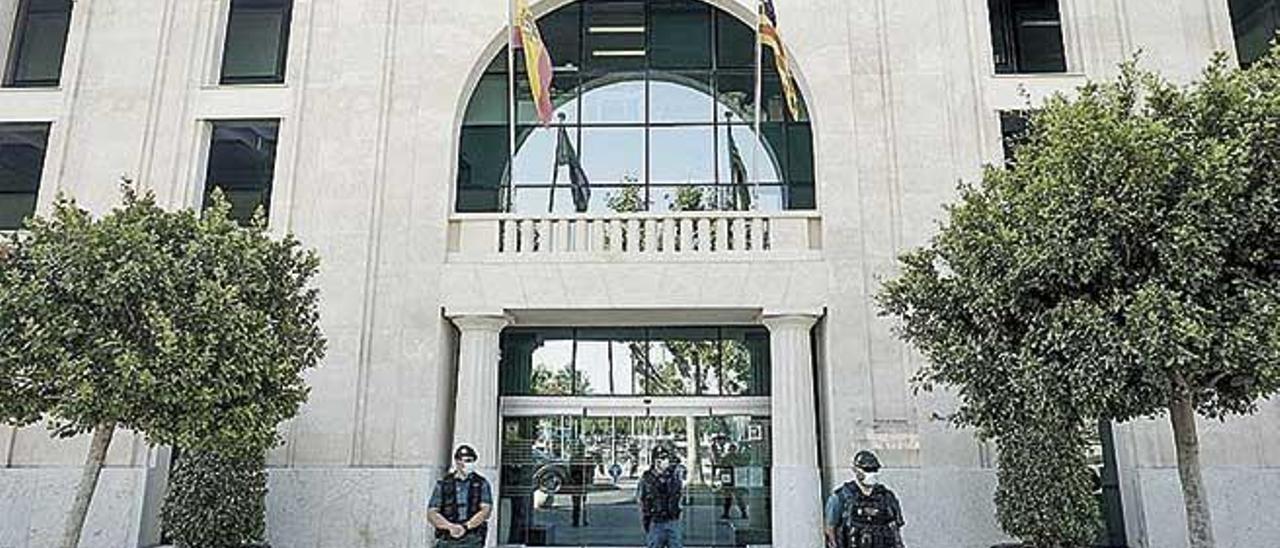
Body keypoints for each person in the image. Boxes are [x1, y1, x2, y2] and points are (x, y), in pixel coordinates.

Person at [824, 450, 905, 548]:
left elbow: (896, 532)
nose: (872, 473)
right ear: (856, 470)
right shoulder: (841, 497)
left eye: (875, 469)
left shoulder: (887, 497)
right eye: (867, 469)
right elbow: (830, 530)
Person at [428, 444, 494, 548]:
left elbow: (486, 510)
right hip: (447, 537)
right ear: (458, 462)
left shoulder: (481, 483)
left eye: (472, 461)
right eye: (467, 460)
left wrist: (465, 526)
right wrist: (450, 527)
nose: (470, 464)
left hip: (472, 537)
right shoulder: (443, 483)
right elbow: (432, 512)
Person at [638, 446, 684, 548]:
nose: (667, 462)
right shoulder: (647, 478)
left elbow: (678, 495)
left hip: (672, 520)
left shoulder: (673, 477)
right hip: (656, 521)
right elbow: (642, 500)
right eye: (664, 459)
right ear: (657, 461)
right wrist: (646, 519)